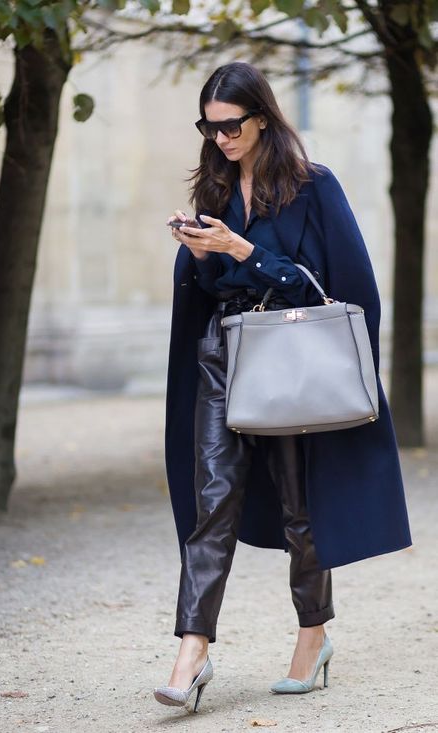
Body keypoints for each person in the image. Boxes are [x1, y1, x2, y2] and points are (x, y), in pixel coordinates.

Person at [154, 61, 412, 712]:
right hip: (222, 356)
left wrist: (244, 252)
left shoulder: (312, 188)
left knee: (302, 508)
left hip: (291, 355)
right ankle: (191, 651)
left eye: (231, 125)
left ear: (262, 117)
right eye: (208, 128)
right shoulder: (213, 185)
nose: (220, 138)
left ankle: (313, 632)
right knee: (211, 502)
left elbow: (333, 287)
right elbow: (206, 290)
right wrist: (202, 253)